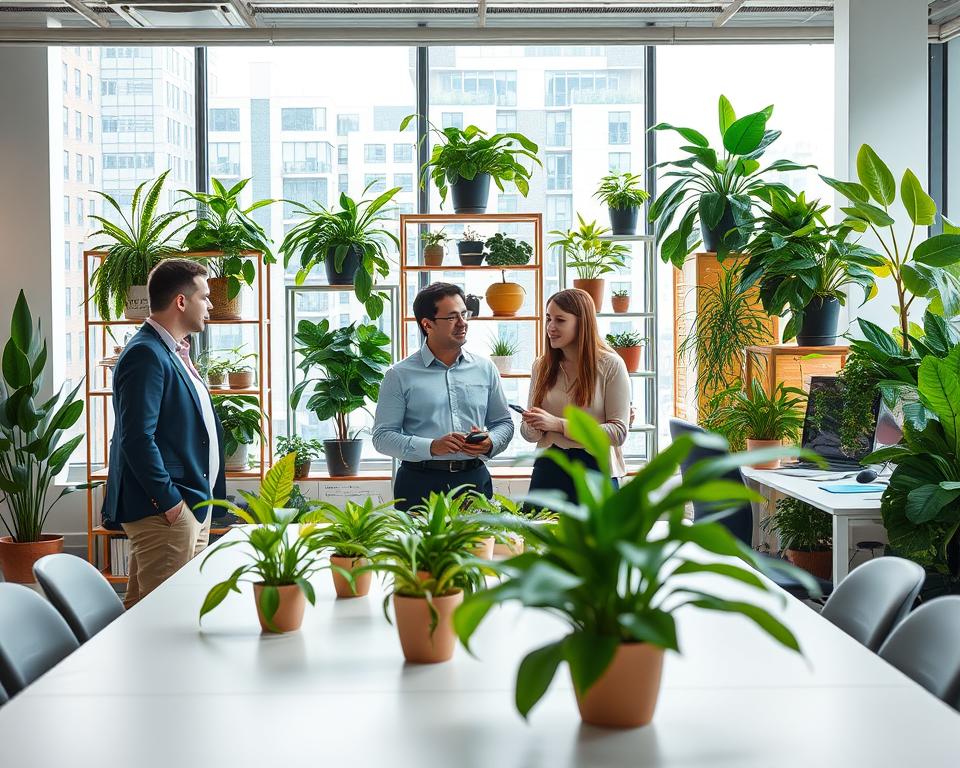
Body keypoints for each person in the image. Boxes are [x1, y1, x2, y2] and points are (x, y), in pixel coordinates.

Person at [100, 259, 225, 608]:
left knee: (142, 610)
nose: (211, 305)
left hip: (187, 506)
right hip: (168, 511)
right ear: (181, 302)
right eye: (205, 297)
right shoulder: (146, 354)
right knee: (168, 617)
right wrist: (170, 504)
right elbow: (137, 438)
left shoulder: (171, 352)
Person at [373, 282, 515, 511]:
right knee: (420, 548)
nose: (463, 323)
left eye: (464, 314)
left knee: (478, 547)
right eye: (451, 317)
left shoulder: (485, 368)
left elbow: (504, 423)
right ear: (427, 324)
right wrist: (432, 446)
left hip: (474, 481)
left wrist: (491, 442)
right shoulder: (398, 375)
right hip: (419, 484)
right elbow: (382, 437)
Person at [521, 288, 630, 502]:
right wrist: (532, 424)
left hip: (596, 469)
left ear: (582, 323)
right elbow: (529, 435)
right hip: (548, 468)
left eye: (560, 320)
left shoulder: (610, 365)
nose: (550, 327)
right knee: (538, 534)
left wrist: (559, 425)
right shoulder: (541, 366)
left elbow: (618, 433)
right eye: (548, 319)